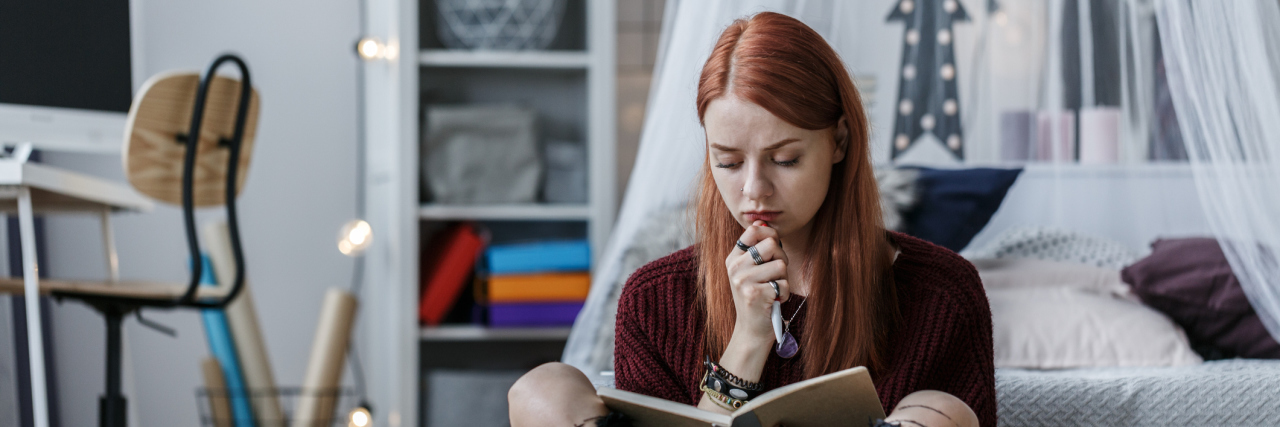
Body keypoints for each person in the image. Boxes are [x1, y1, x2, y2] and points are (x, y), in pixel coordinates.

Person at [509, 11, 995, 427]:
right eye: (728, 161)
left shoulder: (943, 292)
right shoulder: (653, 298)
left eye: (785, 159)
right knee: (544, 388)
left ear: (840, 142)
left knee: (941, 412)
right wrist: (749, 337)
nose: (754, 189)